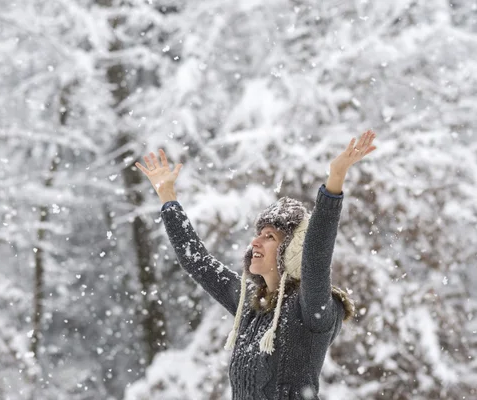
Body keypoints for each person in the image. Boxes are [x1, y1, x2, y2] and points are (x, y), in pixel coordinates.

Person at [135, 131, 377, 400]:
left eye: (269, 236)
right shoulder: (251, 304)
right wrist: (168, 197)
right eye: (258, 234)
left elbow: (316, 256)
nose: (256, 242)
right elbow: (198, 262)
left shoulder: (311, 308)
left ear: (292, 250)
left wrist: (335, 180)